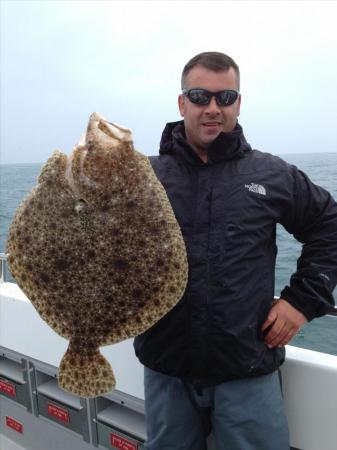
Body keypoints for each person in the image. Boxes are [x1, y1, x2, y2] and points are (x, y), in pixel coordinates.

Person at [134, 52, 337, 450]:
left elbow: (330, 225)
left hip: (246, 370)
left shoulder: (271, 174)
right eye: (200, 96)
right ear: (182, 103)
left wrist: (301, 300)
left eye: (225, 98)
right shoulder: (144, 176)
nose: (213, 108)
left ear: (238, 103)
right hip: (165, 369)